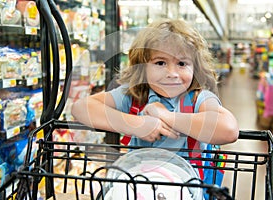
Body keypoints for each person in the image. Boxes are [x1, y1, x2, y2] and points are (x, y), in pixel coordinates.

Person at [71, 18, 239, 151]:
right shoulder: (135, 96)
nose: (172, 73)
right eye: (160, 63)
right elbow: (80, 108)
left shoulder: (199, 99)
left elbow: (229, 130)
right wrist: (135, 124)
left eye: (182, 64)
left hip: (184, 189)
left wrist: (165, 115)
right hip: (137, 183)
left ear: (196, 68)